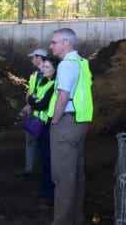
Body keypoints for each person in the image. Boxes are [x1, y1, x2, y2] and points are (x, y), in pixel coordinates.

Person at [48, 28, 93, 225]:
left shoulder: (66, 65)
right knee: (76, 176)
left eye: (53, 42)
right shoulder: (82, 63)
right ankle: (76, 219)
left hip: (65, 123)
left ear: (67, 43)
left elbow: (63, 97)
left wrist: (55, 121)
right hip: (79, 123)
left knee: (63, 178)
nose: (51, 46)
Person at [27, 57, 59, 205]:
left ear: (54, 69)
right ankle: (44, 188)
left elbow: (41, 104)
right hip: (39, 125)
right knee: (44, 160)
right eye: (43, 67)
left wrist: (35, 101)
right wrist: (35, 101)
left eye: (46, 67)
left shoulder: (54, 85)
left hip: (47, 127)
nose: (43, 69)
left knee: (49, 160)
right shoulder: (43, 82)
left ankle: (51, 194)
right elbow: (31, 101)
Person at [18, 48, 48, 177]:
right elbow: (30, 91)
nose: (32, 60)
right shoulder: (35, 75)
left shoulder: (50, 74)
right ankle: (29, 168)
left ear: (39, 58)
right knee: (30, 142)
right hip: (33, 113)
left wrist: (31, 104)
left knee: (42, 144)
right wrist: (28, 105)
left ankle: (42, 169)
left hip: (44, 115)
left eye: (33, 58)